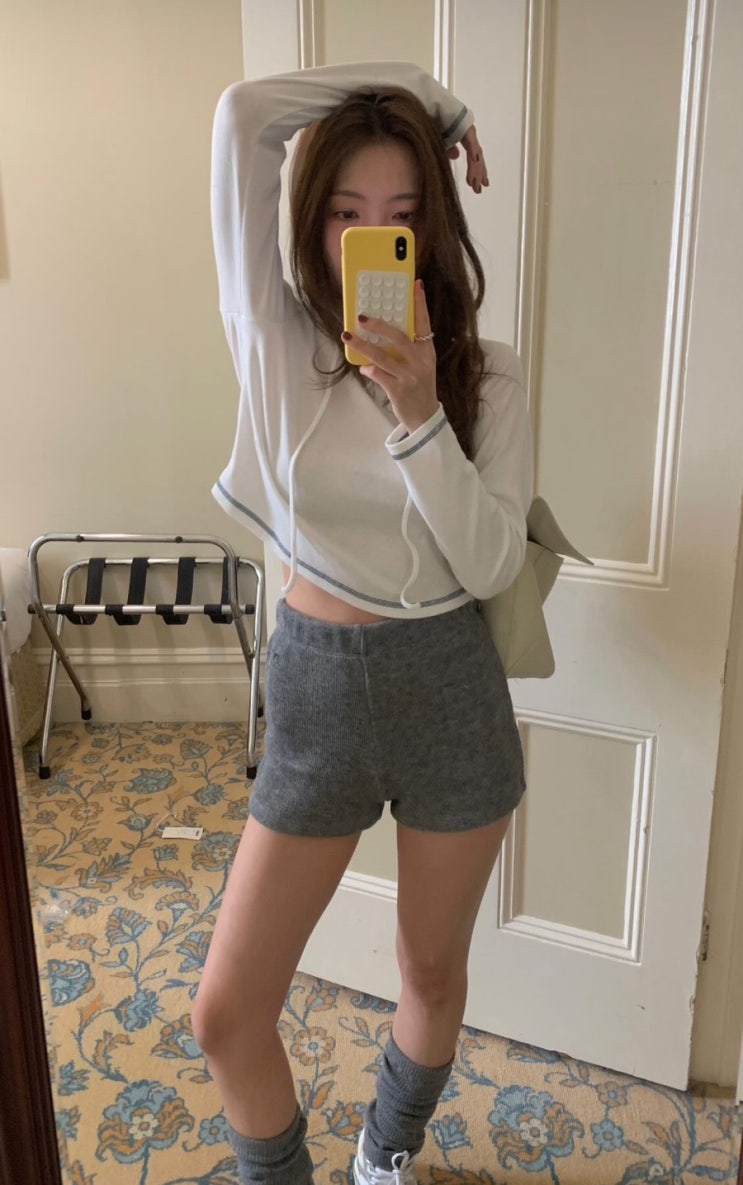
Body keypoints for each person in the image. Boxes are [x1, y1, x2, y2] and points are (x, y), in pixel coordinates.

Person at [191, 61, 533, 1185]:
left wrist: (420, 410)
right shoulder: (274, 341)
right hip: (318, 697)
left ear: (429, 234)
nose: (368, 240)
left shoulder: (489, 378)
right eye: (345, 214)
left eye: (398, 215)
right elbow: (244, 115)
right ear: (310, 225)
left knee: (428, 974)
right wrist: (426, 98)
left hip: (449, 693)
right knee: (225, 1012)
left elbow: (490, 564)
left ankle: (385, 1153)